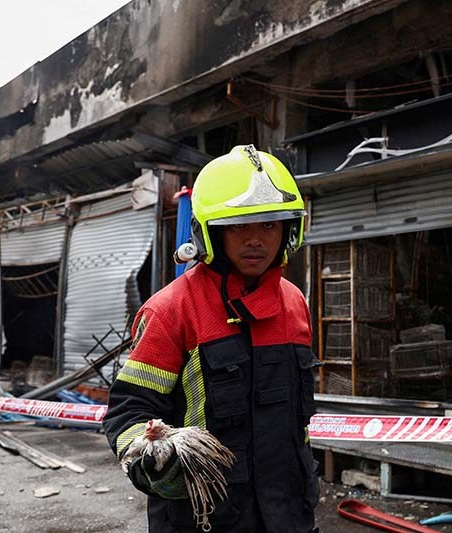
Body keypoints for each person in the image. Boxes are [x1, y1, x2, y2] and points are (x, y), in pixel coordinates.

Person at [103, 144, 320, 533]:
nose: (256, 239)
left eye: (269, 224)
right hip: (203, 517)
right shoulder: (170, 309)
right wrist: (152, 457)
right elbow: (128, 411)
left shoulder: (294, 302)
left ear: (290, 228)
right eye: (239, 225)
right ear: (210, 231)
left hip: (288, 513)